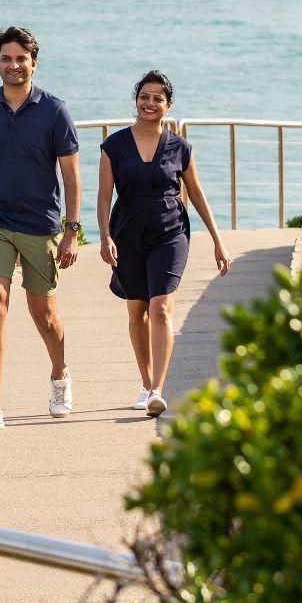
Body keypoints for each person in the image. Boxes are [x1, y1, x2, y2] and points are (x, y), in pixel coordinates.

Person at [0, 26, 81, 433]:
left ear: (34, 61)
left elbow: (72, 177)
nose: (13, 66)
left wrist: (71, 231)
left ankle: (60, 376)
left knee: (43, 313)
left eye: (20, 59)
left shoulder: (55, 111)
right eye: (5, 59)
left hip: (40, 224)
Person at [96, 70, 231, 416]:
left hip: (170, 233)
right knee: (137, 311)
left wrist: (218, 240)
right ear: (136, 101)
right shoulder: (113, 146)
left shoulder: (180, 148)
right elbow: (104, 195)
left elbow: (197, 194)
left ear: (168, 106)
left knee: (160, 308)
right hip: (127, 234)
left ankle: (158, 388)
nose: (150, 103)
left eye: (158, 98)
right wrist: (105, 237)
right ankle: (145, 382)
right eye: (144, 96)